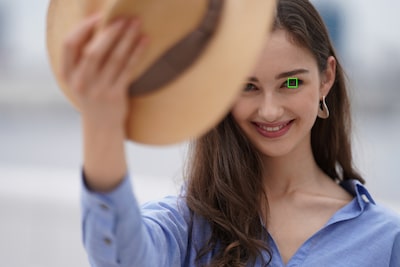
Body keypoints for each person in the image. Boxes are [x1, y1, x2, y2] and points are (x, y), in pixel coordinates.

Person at [60, 0, 400, 266]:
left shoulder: (386, 239)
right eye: (248, 87)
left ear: (326, 78)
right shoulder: (187, 227)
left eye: (291, 82)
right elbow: (119, 258)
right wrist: (101, 121)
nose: (269, 110)